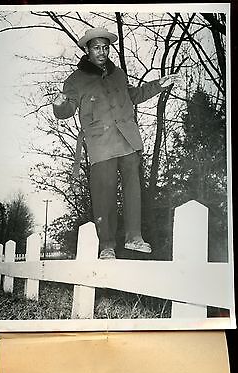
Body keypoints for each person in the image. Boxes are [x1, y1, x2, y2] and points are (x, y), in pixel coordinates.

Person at [53, 27, 181, 260]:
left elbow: (133, 95)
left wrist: (159, 84)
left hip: (128, 139)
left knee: (133, 189)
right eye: (96, 48)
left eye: (105, 47)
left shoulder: (118, 74)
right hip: (100, 144)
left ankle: (134, 237)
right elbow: (67, 110)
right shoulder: (75, 80)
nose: (102, 52)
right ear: (87, 50)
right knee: (105, 194)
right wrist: (60, 104)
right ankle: (107, 246)